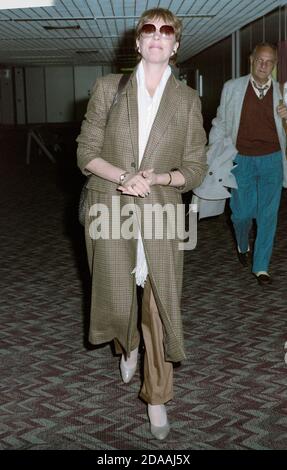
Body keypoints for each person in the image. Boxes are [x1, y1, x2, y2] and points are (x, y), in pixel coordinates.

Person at [76, 7, 207, 440]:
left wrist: (160, 177)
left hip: (162, 213)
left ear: (174, 45)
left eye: (166, 30)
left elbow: (195, 168)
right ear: (137, 43)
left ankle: (157, 397)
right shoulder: (107, 89)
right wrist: (123, 177)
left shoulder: (187, 101)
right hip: (108, 208)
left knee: (159, 306)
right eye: (148, 29)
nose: (157, 35)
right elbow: (85, 153)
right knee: (117, 299)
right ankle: (125, 344)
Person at [208, 42, 287, 286]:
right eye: (259, 60)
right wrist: (213, 152)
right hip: (240, 158)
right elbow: (221, 122)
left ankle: (261, 266)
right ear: (251, 60)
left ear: (274, 65)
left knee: (268, 214)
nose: (264, 65)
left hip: (273, 159)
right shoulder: (232, 88)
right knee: (241, 213)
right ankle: (243, 243)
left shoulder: (283, 93)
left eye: (269, 61)